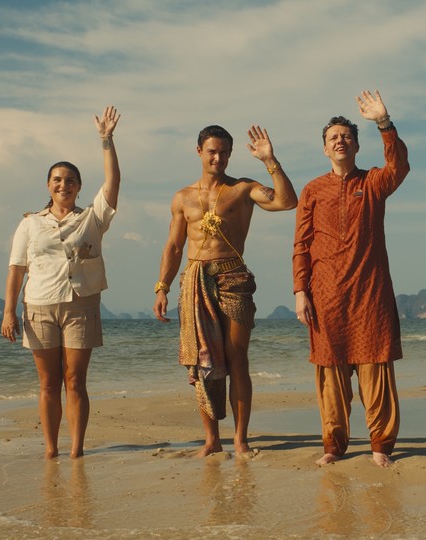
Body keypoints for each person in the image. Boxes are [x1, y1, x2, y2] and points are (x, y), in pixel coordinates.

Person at [153, 124, 297, 458]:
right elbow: (174, 246)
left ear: (231, 154)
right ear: (199, 151)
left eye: (224, 152)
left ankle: (240, 439)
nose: (218, 157)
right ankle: (211, 440)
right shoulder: (182, 198)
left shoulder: (243, 189)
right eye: (212, 151)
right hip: (195, 282)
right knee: (202, 363)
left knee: (237, 361)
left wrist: (270, 161)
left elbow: (287, 202)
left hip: (233, 278)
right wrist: (162, 287)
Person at [292, 90, 410, 468]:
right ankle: (334, 444)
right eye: (332, 138)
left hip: (369, 294)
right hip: (325, 295)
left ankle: (380, 447)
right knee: (330, 374)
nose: (339, 141)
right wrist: (300, 291)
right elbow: (301, 245)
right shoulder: (312, 190)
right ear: (324, 149)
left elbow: (399, 168)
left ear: (357, 144)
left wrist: (384, 123)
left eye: (346, 136)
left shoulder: (373, 182)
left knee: (376, 370)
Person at [1, 105, 122, 459]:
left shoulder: (93, 219)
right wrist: (9, 312)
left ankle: (77, 450)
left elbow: (113, 183)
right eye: (57, 180)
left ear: (79, 187)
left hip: (81, 305)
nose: (63, 185)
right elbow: (16, 269)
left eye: (70, 180)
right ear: (48, 186)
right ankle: (51, 449)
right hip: (38, 306)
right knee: (49, 383)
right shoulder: (30, 223)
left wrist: (106, 140)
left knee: (75, 381)